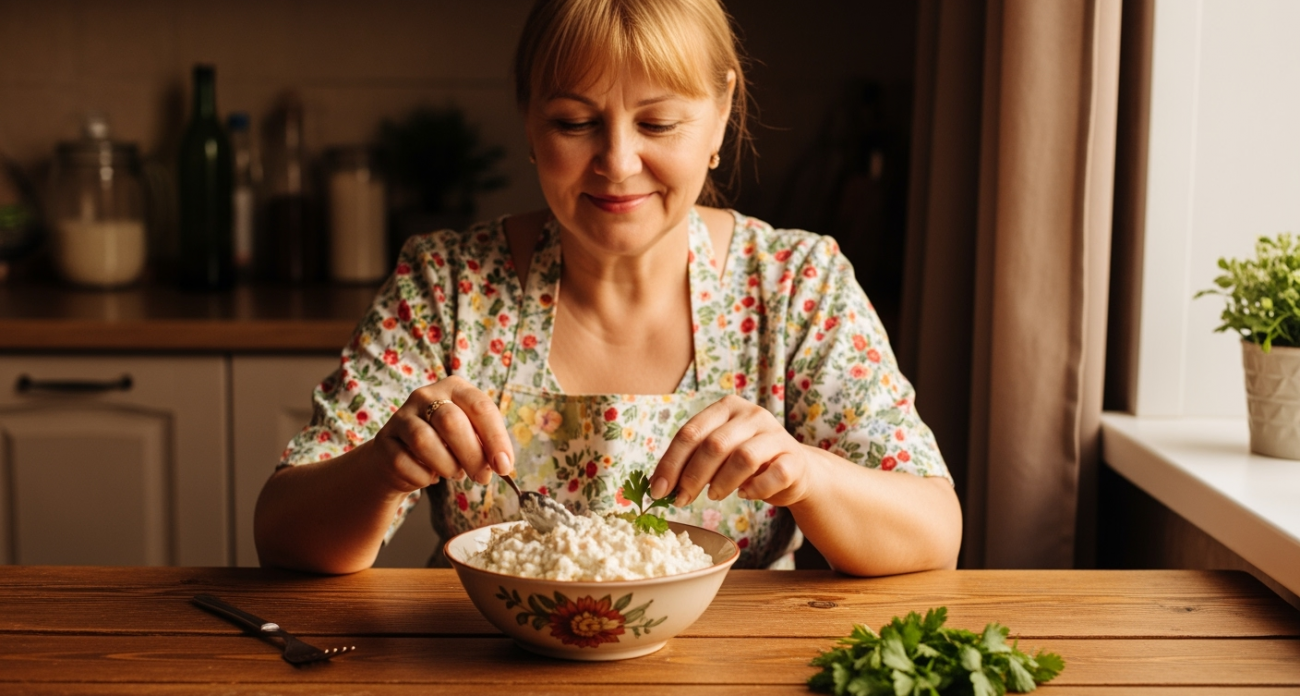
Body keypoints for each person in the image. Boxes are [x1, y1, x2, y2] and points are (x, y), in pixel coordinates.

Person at [255, 0, 962, 576]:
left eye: (657, 122)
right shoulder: (447, 282)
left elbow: (934, 534)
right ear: (530, 118)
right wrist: (382, 468)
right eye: (575, 123)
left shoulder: (796, 284)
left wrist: (806, 473)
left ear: (720, 114)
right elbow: (283, 534)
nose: (618, 162)